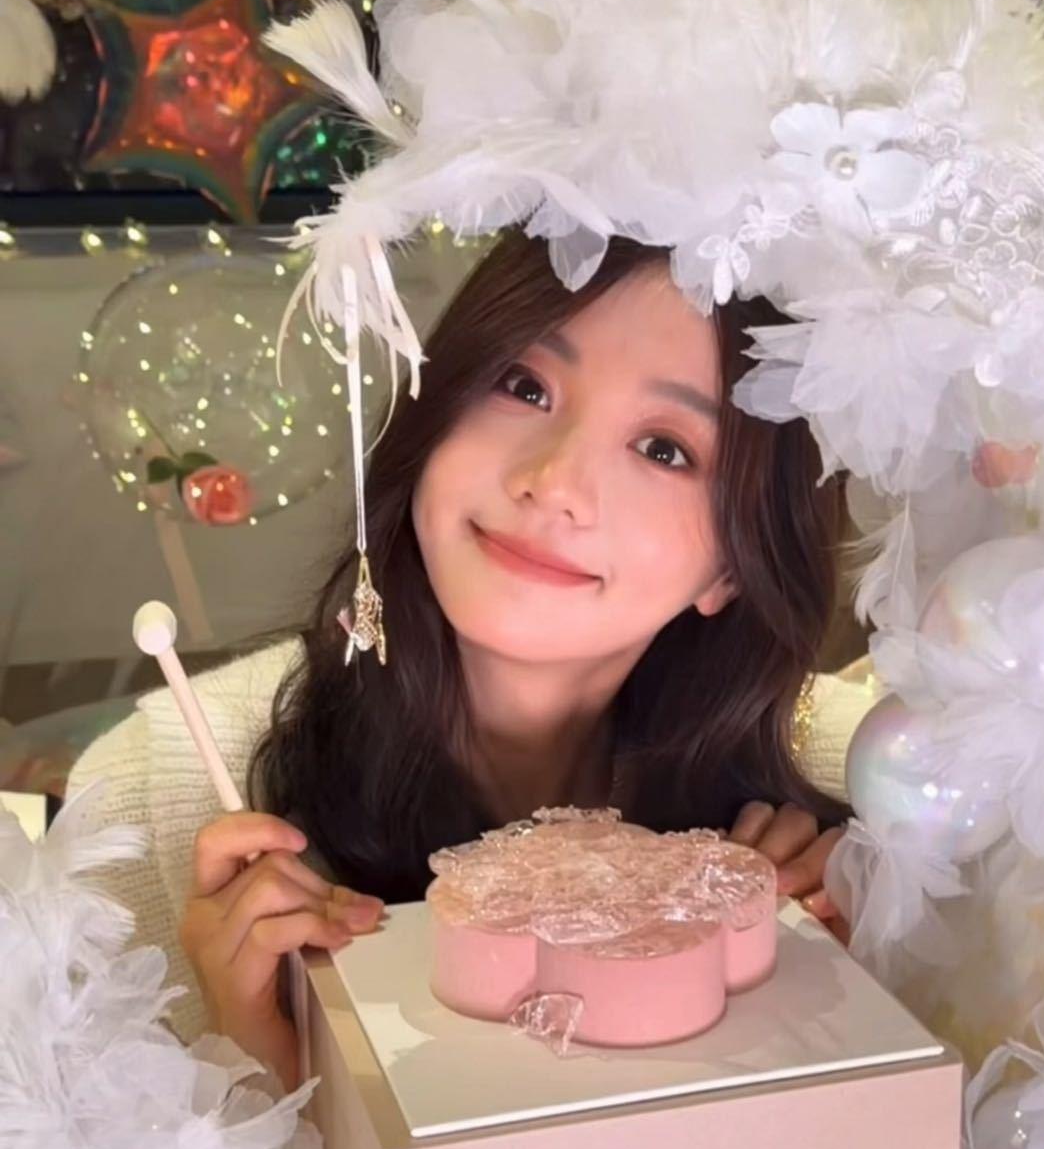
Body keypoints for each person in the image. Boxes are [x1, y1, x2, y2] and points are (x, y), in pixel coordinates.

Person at [69, 232, 882, 1091]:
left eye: (663, 448)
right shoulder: (154, 797)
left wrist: (829, 989)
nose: (552, 480)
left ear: (733, 567)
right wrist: (256, 1058)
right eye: (525, 386)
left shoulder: (857, 783)